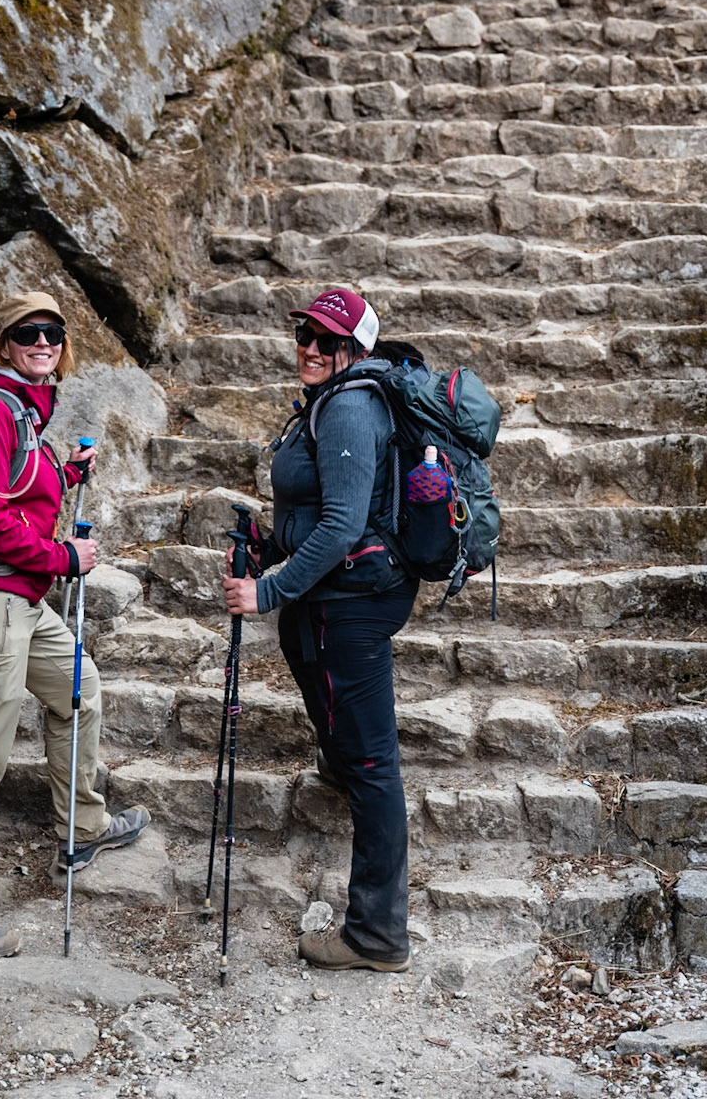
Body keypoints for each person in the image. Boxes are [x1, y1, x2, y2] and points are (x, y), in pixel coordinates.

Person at [0, 289, 149, 960]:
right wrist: (63, 556)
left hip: (17, 602)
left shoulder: (20, 408)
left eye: (52, 332)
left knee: (79, 689)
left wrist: (63, 473)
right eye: (26, 333)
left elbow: (10, 493)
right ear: (4, 343)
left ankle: (84, 826)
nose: (42, 342)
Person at [221, 285, 418, 973]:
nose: (309, 347)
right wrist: (272, 542)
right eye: (304, 334)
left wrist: (268, 590)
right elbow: (323, 514)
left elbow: (341, 527)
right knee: (333, 707)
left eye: (326, 340)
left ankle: (376, 936)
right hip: (338, 593)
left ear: (355, 348)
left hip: (353, 602)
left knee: (376, 769)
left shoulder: (352, 408)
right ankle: (340, 760)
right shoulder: (332, 400)